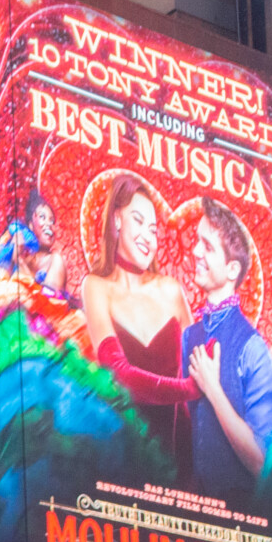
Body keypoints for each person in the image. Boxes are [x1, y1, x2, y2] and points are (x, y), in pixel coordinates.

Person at [81, 175, 195, 462]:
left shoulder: (171, 290)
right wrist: (190, 389)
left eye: (154, 229)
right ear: (117, 219)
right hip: (124, 463)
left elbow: (201, 366)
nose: (148, 236)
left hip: (182, 463)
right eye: (138, 220)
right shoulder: (95, 286)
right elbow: (118, 373)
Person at [181, 201, 272, 497]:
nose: (195, 252)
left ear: (232, 269)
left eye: (207, 246)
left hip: (242, 528)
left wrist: (213, 389)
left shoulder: (252, 349)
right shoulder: (188, 337)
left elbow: (263, 464)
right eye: (197, 242)